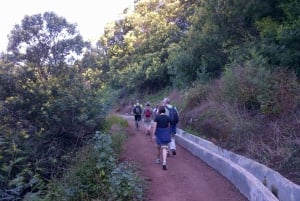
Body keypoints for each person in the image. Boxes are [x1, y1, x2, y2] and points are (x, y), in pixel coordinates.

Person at [152, 105, 171, 170]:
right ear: (164, 111)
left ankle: (158, 159)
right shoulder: (167, 117)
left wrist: (154, 134)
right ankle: (164, 162)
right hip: (165, 132)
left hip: (159, 132)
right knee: (165, 147)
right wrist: (168, 133)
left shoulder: (157, 117)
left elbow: (155, 127)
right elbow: (169, 126)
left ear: (159, 110)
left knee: (158, 147)